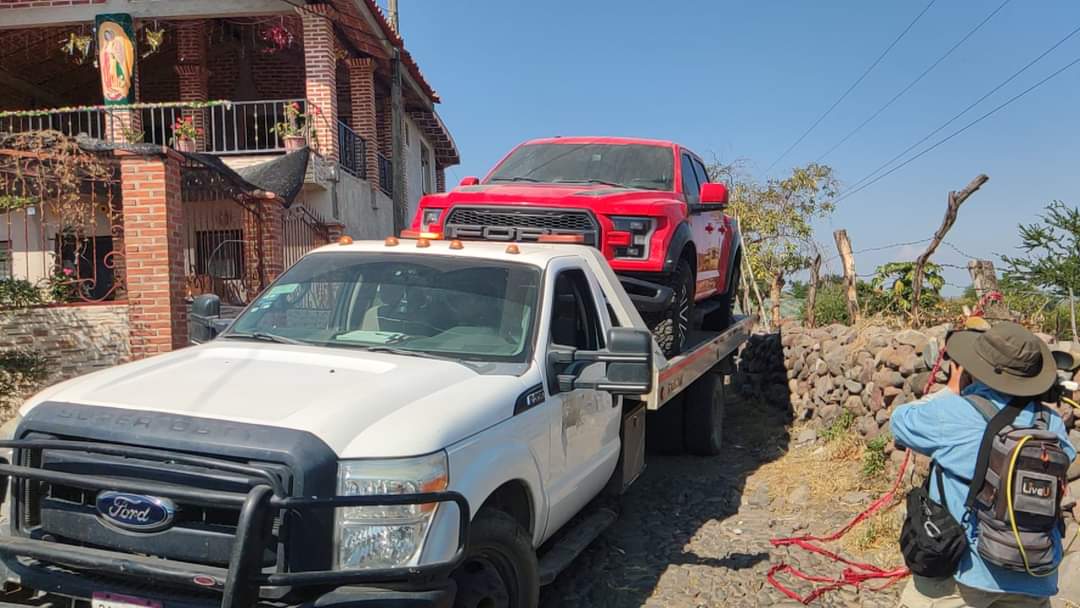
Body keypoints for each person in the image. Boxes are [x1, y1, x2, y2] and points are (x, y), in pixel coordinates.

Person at [891, 321, 1077, 608]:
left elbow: (900, 422)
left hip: (966, 573)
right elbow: (1068, 457)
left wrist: (952, 389)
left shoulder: (954, 412)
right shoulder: (1050, 422)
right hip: (1034, 573)